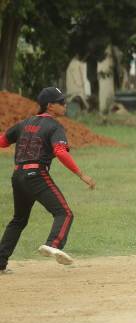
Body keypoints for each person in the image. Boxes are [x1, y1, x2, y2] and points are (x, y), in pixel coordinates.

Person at [0, 87, 96, 274]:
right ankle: (53, 244)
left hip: (18, 176)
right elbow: (60, 152)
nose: (64, 105)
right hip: (36, 176)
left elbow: (2, 141)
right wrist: (81, 175)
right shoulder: (54, 126)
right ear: (50, 106)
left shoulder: (24, 123)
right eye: (61, 102)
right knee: (64, 213)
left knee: (18, 220)